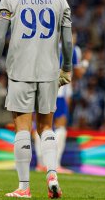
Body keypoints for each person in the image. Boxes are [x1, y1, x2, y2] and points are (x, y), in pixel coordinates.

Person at [0, 0, 73, 198]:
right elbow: (67, 41)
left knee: (22, 128)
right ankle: (52, 173)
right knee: (46, 127)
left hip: (20, 72)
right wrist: (66, 68)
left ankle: (24, 187)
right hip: (48, 71)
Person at [35, 37, 91, 174]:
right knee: (60, 128)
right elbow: (77, 74)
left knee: (41, 126)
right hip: (59, 93)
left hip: (42, 90)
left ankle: (41, 163)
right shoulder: (73, 49)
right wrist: (85, 62)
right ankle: (55, 164)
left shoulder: (45, 44)